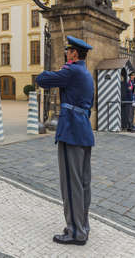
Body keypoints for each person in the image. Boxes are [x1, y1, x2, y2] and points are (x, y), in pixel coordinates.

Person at [36, 35, 94, 246]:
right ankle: (83, 225)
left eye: (68, 51)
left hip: (71, 132)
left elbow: (42, 80)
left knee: (71, 183)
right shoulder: (86, 73)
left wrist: (62, 69)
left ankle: (75, 231)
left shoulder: (71, 71)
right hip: (84, 132)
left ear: (75, 54)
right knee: (83, 183)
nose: (66, 53)